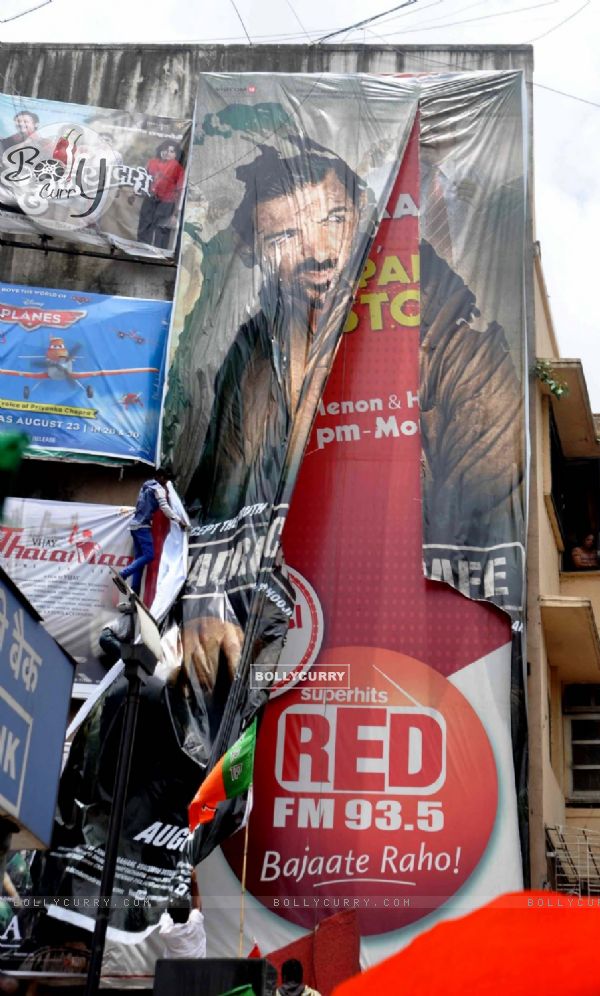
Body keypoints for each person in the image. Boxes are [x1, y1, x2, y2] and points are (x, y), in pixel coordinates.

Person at [181, 139, 370, 691]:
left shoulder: (431, 340)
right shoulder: (248, 353)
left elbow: (478, 490)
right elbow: (217, 492)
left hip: (382, 620)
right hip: (267, 626)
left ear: (361, 217)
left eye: (334, 218)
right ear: (254, 251)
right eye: (286, 235)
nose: (319, 250)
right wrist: (206, 597)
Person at [120, 467, 186, 596]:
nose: (167, 482)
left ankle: (135, 592)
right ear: (160, 477)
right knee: (149, 556)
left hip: (134, 526)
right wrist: (179, 521)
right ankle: (123, 574)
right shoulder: (158, 489)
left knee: (139, 560)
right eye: (166, 479)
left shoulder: (145, 485)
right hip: (143, 527)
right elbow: (165, 508)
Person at [137, 139, 185, 249]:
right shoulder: (152, 162)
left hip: (166, 203)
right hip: (150, 198)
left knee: (161, 228)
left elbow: (180, 191)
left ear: (176, 155)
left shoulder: (177, 168)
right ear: (160, 150)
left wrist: (175, 212)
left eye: (172, 151)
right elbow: (142, 178)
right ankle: (141, 248)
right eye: (166, 150)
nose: (168, 153)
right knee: (144, 224)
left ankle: (159, 252)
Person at [158, 870, 206, 959]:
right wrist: (194, 881)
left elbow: (162, 907)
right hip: (197, 970)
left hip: (176, 972)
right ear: (188, 913)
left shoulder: (166, 931)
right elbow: (197, 906)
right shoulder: (195, 923)